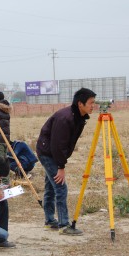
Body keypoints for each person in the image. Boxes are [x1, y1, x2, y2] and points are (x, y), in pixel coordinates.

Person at [36, 88, 96, 235]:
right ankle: (64, 225)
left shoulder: (79, 117)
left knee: (51, 187)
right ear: (80, 103)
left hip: (51, 152)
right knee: (60, 187)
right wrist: (60, 167)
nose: (93, 106)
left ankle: (49, 221)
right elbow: (57, 145)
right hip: (48, 153)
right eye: (91, 103)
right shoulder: (65, 118)